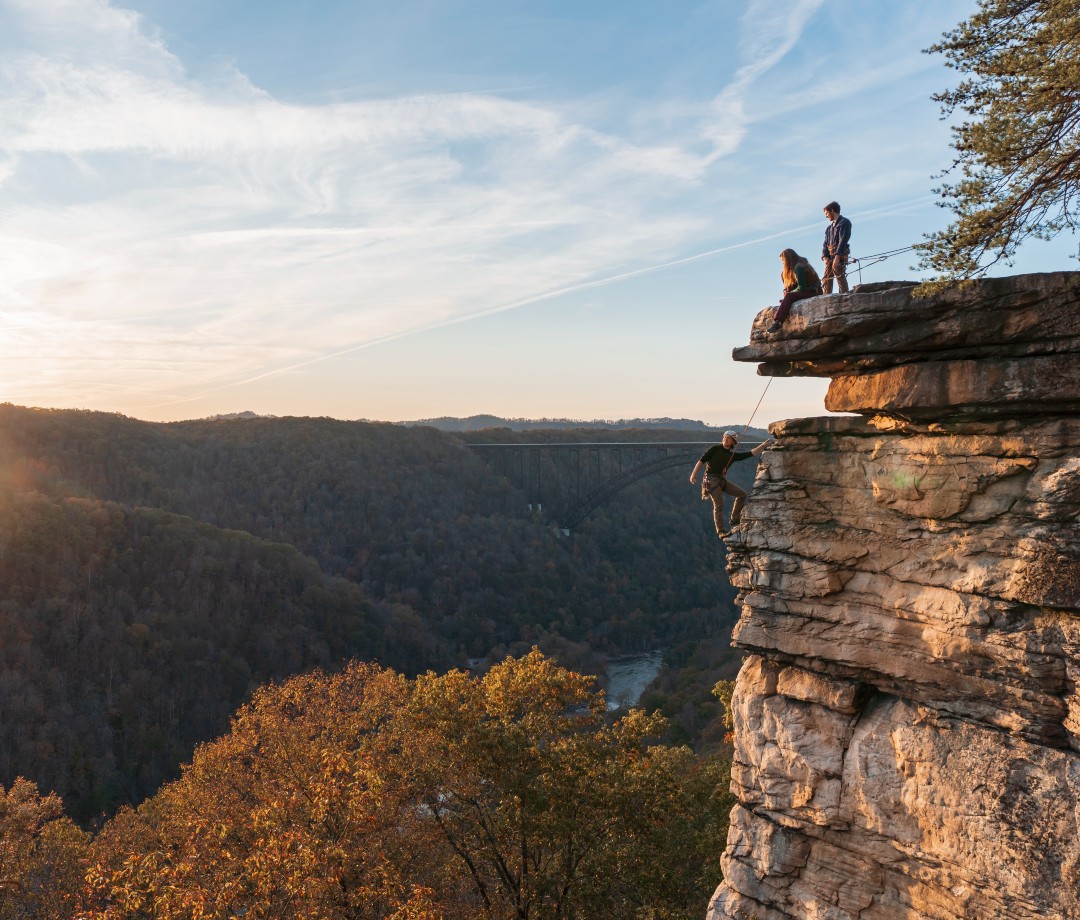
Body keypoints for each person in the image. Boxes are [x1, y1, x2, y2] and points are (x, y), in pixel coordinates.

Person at [689, 430, 774, 537]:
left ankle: (734, 519)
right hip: (711, 479)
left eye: (728, 438)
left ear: (733, 442)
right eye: (724, 437)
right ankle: (720, 531)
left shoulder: (732, 455)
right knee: (719, 505)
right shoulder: (714, 449)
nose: (725, 439)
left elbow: (751, 453)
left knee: (742, 494)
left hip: (721, 480)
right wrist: (693, 474)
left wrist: (763, 445)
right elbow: (701, 461)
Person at [767, 248, 821, 334]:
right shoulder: (795, 266)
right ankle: (785, 302)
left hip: (813, 292)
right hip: (808, 290)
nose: (783, 263)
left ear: (788, 258)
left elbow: (802, 287)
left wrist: (789, 294)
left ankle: (778, 322)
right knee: (787, 291)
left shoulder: (799, 266)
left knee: (789, 296)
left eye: (783, 260)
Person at [821, 201, 852, 294]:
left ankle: (844, 296)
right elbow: (825, 244)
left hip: (840, 254)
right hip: (830, 256)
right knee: (826, 277)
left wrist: (837, 257)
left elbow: (843, 240)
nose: (826, 216)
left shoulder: (844, 222)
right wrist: (825, 257)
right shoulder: (828, 229)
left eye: (827, 213)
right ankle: (826, 297)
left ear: (832, 210)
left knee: (839, 274)